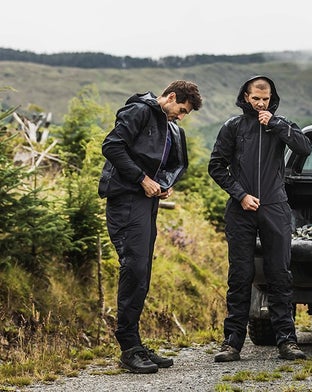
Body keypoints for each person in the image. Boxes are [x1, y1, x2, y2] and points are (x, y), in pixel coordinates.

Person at [98, 80, 202, 373]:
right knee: (134, 269)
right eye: (181, 109)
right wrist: (143, 179)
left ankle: (135, 344)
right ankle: (128, 348)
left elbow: (178, 164)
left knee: (142, 272)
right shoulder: (139, 111)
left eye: (186, 114)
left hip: (146, 203)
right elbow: (112, 146)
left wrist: (163, 184)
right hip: (125, 200)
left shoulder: (172, 127)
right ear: (170, 97)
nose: (181, 116)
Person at [208, 75, 312, 362]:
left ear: (272, 99)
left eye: (265, 99)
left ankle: (287, 342)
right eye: (256, 98)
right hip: (241, 209)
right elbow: (216, 166)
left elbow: (305, 148)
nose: (260, 103)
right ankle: (232, 343)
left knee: (280, 274)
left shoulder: (282, 125)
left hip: (275, 206)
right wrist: (240, 194)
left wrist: (276, 124)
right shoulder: (233, 127)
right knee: (240, 275)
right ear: (245, 97)